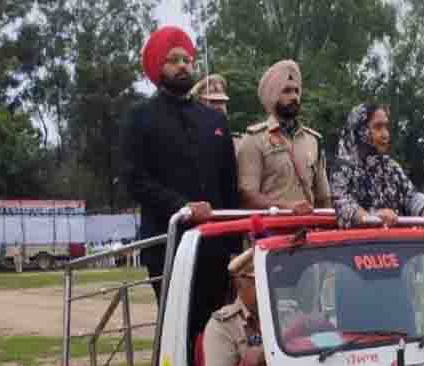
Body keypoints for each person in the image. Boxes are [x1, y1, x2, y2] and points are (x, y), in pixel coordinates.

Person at [121, 25, 240, 331]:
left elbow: (229, 184)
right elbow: (134, 179)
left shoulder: (213, 120)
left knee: (217, 332)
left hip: (215, 248)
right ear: (158, 66)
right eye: (174, 60)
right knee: (178, 331)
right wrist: (183, 206)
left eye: (187, 59)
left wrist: (234, 247)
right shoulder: (140, 117)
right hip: (167, 246)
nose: (183, 65)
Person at [330, 103, 424, 229]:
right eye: (378, 127)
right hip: (362, 246)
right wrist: (373, 217)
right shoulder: (342, 169)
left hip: (396, 245)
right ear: (360, 130)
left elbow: (412, 197)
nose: (385, 135)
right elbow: (345, 207)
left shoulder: (390, 166)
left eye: (386, 127)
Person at [237, 60, 331, 215]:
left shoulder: (313, 140)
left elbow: (323, 197)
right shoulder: (254, 139)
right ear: (272, 96)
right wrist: (285, 207)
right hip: (270, 233)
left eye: (296, 91)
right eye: (286, 91)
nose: (294, 97)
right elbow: (247, 197)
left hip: (309, 231)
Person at [189, 74, 241, 151]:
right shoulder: (189, 139)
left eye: (222, 101)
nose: (219, 106)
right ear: (198, 103)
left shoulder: (237, 142)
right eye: (212, 101)